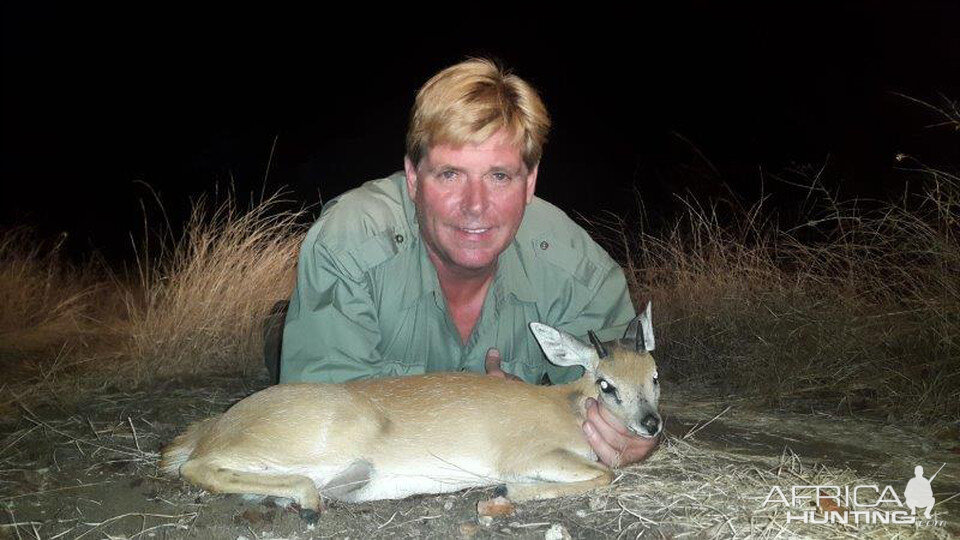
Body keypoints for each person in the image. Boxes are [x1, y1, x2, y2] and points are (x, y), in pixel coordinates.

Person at [268, 58, 657, 467]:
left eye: (499, 177)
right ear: (414, 178)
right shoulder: (351, 240)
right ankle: (284, 328)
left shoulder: (577, 268)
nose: (475, 206)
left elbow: (630, 384)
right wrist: (500, 409)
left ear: (530, 183)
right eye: (451, 174)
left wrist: (628, 436)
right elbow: (316, 415)